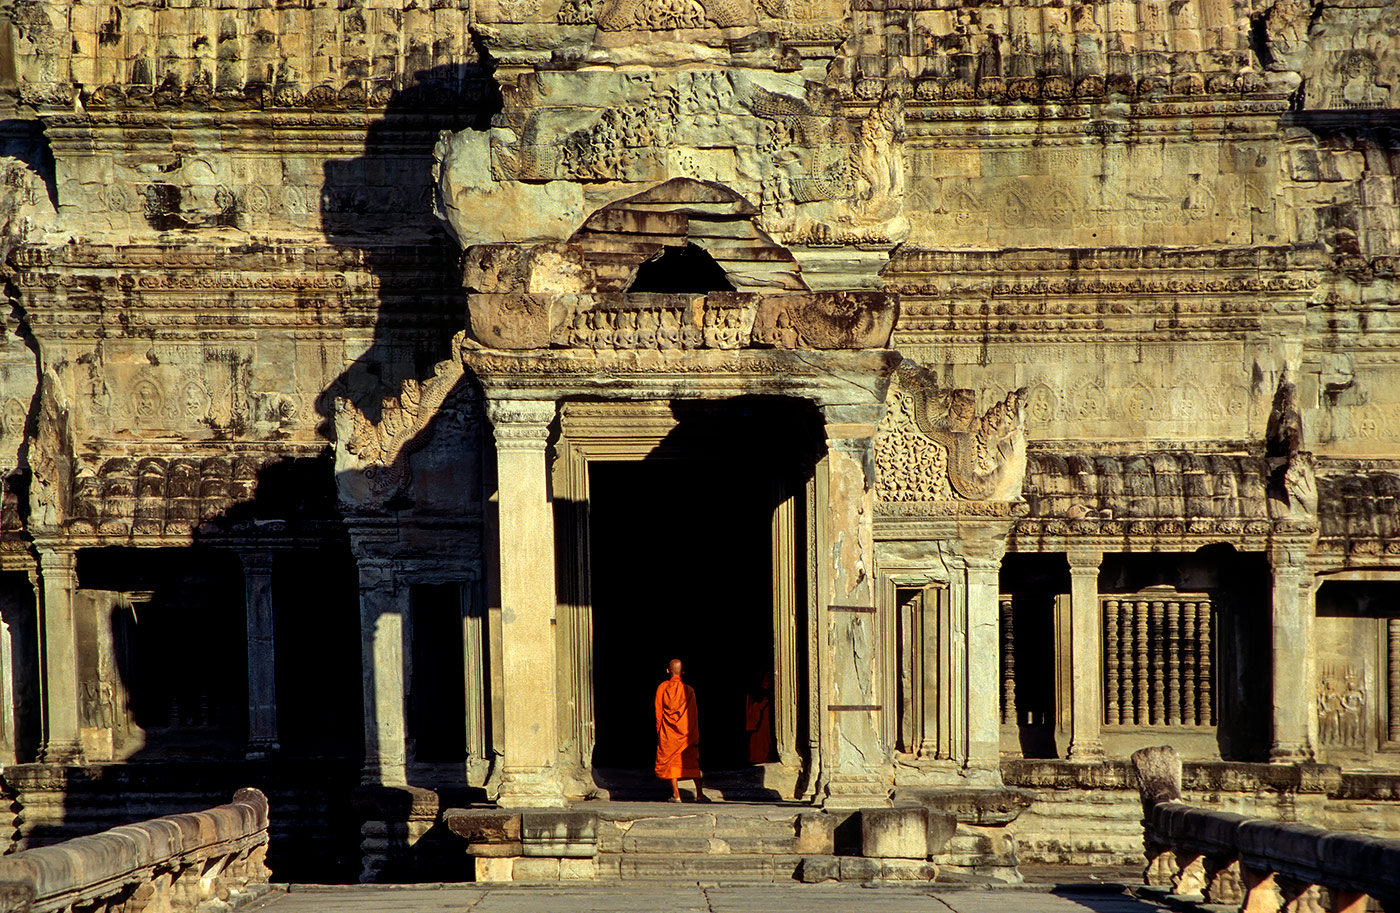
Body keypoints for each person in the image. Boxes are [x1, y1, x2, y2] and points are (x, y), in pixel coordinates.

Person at [655, 658, 708, 802]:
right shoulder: (689, 690)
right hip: (686, 735)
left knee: (671, 762)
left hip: (669, 734)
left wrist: (660, 730)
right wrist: (694, 734)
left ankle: (676, 795)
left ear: (667, 671)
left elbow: (658, 712)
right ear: (683, 672)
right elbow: (693, 715)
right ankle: (700, 794)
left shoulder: (662, 688)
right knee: (691, 762)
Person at [745, 670, 775, 764]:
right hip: (758, 730)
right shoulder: (757, 695)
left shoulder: (769, 696)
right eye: (766, 679)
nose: (768, 681)